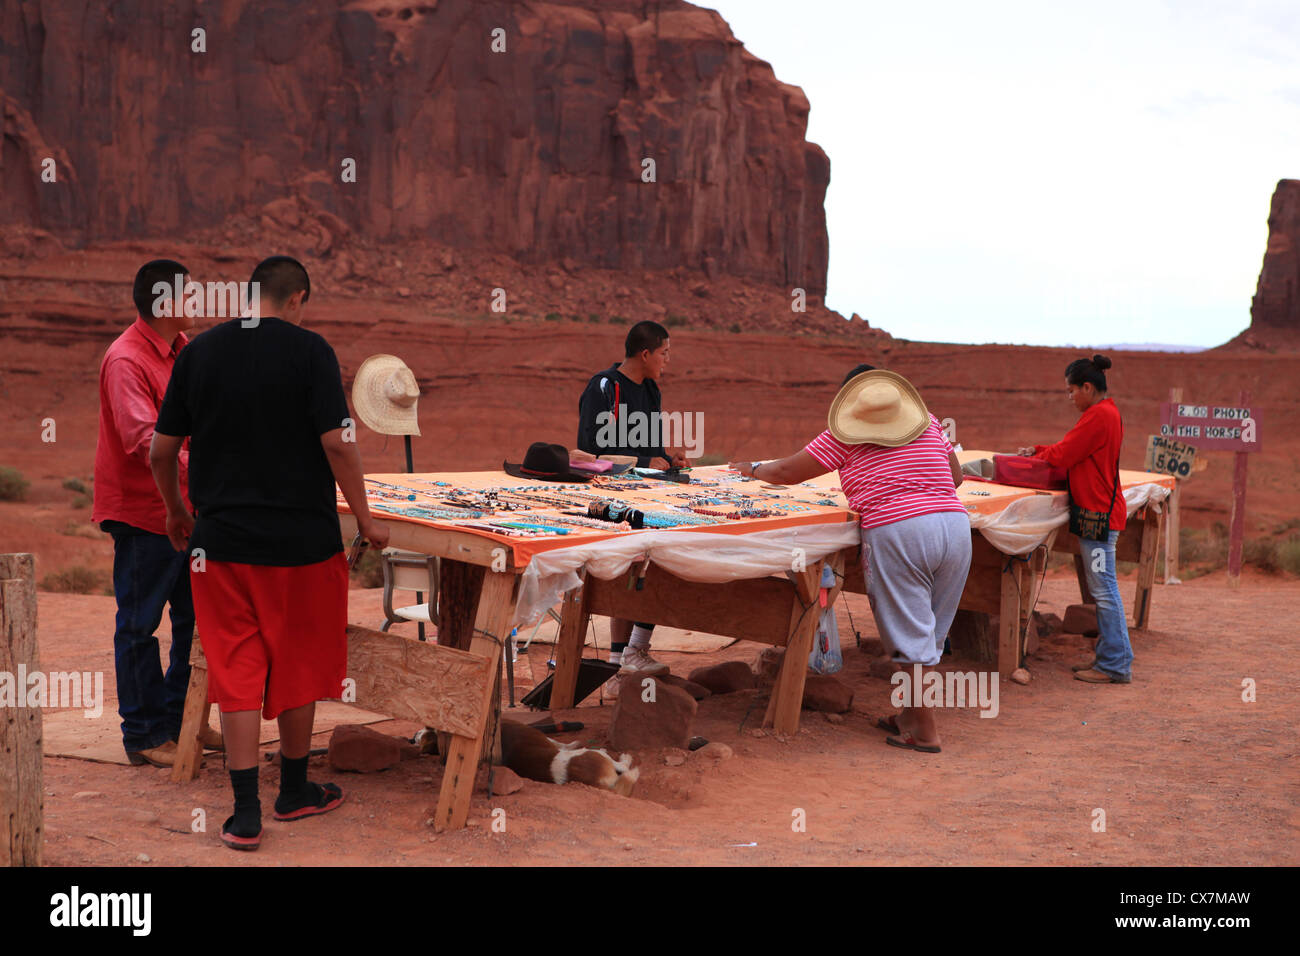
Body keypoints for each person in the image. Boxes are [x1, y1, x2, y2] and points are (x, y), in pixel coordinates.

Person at [150, 256, 390, 851]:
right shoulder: (311, 352)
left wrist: (178, 511)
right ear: (297, 298)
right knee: (300, 662)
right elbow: (337, 442)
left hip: (220, 546)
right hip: (301, 548)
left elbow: (160, 450)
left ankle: (244, 814)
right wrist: (364, 517)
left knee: (235, 672)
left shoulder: (199, 353)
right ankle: (296, 791)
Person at [729, 364, 969, 753]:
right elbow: (955, 478)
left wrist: (752, 469)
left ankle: (925, 733)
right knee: (928, 634)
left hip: (900, 529)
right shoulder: (928, 423)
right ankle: (909, 717)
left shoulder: (847, 434)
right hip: (955, 528)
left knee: (910, 637)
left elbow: (790, 470)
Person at [92, 259, 221, 767]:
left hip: (185, 508)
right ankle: (144, 736)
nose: (198, 301)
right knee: (140, 626)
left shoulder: (182, 350)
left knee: (194, 621)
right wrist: (210, 470)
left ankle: (180, 720)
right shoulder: (127, 360)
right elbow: (144, 441)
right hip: (145, 514)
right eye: (190, 294)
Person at [576, 320, 686, 677]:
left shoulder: (651, 390)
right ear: (645, 353)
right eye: (664, 353)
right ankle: (619, 662)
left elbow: (650, 449)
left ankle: (632, 653)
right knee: (626, 568)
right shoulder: (604, 386)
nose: (667, 360)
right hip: (608, 498)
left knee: (652, 562)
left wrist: (670, 461)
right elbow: (589, 453)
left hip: (647, 496)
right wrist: (641, 462)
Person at [1018, 354, 1131, 684]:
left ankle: (1115, 665)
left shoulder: (1099, 416)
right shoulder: (1105, 413)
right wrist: (1041, 449)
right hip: (1098, 514)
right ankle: (1113, 660)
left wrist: (1037, 452)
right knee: (1104, 589)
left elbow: (1066, 453)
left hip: (1099, 518)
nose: (1070, 398)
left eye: (1071, 391)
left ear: (1087, 387)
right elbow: (1072, 450)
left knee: (1104, 590)